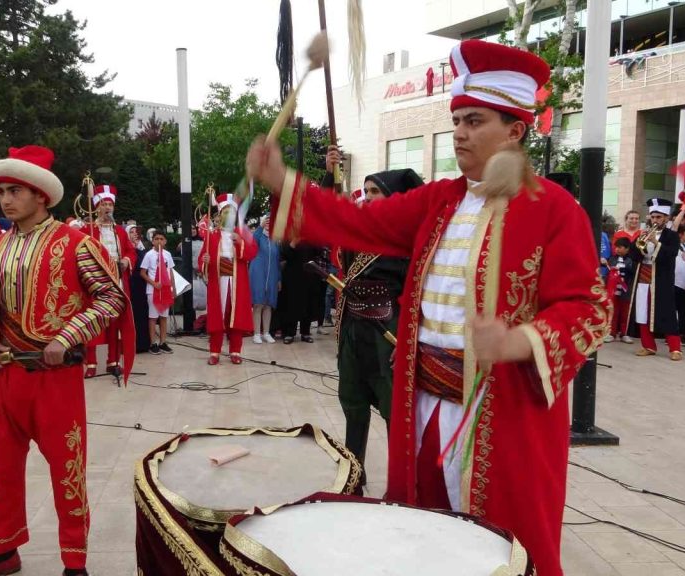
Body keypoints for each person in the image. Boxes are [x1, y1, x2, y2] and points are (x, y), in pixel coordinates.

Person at [247, 40, 609, 575]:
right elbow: (359, 223)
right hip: (422, 403)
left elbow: (588, 307)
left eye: (474, 120)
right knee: (422, 537)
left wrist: (519, 340)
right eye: (457, 118)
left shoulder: (556, 211)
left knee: (501, 546)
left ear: (516, 129)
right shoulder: (438, 200)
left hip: (501, 411)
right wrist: (282, 181)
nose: (459, 131)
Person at [0, 145, 133, 576]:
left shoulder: (75, 244)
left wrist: (67, 336)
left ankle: (74, 563)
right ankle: (2, 552)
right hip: (3, 375)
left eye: (15, 190)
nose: (4, 199)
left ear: (40, 194)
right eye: (1, 191)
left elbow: (112, 296)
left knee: (66, 469)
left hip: (53, 377)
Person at [335, 167, 417, 477]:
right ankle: (354, 472)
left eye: (375, 192)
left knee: (393, 409)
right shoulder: (363, 233)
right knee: (352, 402)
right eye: (366, 191)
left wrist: (410, 334)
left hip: (387, 331)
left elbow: (416, 290)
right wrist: (334, 177)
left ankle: (402, 479)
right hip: (354, 328)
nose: (368, 197)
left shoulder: (407, 237)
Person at [83, 185, 136, 376]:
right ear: (97, 207)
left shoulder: (119, 231)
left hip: (117, 278)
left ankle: (112, 360)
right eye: (104, 204)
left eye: (110, 205)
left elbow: (130, 250)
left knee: (115, 321)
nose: (107, 208)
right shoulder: (88, 229)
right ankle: (91, 363)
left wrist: (126, 260)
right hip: (96, 281)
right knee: (93, 320)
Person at [198, 194, 258, 365]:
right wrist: (206, 262)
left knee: (236, 316)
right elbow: (203, 259)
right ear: (219, 214)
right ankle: (215, 352)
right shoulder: (212, 236)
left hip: (237, 281)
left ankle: (235, 351)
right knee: (218, 316)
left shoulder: (242, 232)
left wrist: (240, 242)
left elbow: (252, 253)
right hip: (219, 281)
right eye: (225, 212)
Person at [626, 198, 685, 361]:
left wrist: (656, 243)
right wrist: (642, 245)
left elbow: (670, 255)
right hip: (643, 277)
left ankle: (675, 348)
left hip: (661, 280)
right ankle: (648, 346)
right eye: (653, 217)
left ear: (666, 218)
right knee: (642, 312)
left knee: (666, 312)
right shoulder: (643, 233)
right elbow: (633, 254)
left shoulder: (672, 236)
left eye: (659, 217)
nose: (655, 220)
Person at [140, 230, 176, 354]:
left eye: (161, 239)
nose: (159, 241)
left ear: (165, 241)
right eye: (156, 239)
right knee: (153, 317)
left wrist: (173, 288)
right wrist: (154, 283)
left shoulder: (167, 254)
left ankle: (163, 342)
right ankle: (152, 343)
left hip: (165, 289)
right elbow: (142, 273)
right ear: (152, 241)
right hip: (153, 290)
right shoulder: (149, 255)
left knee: (163, 317)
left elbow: (170, 271)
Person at [249, 215, 280, 344]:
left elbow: (277, 261)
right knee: (258, 304)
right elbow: (251, 243)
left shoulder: (275, 239)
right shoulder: (258, 236)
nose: (268, 224)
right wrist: (260, 227)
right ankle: (256, 333)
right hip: (257, 274)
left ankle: (266, 332)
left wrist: (279, 279)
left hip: (272, 274)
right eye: (266, 221)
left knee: (268, 305)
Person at [127, 225, 152, 353]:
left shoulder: (142, 248)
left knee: (142, 313)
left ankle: (143, 343)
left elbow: (144, 265)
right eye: (131, 232)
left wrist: (138, 248)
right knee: (132, 314)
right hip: (130, 283)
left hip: (141, 284)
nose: (134, 234)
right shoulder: (126, 249)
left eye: (136, 232)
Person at [607, 237, 635, 344]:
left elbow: (631, 272)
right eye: (616, 247)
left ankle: (624, 333)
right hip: (614, 290)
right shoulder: (612, 259)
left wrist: (622, 269)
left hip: (625, 290)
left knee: (625, 313)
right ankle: (612, 333)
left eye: (620, 247)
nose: (617, 249)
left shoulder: (630, 260)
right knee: (613, 312)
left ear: (627, 249)